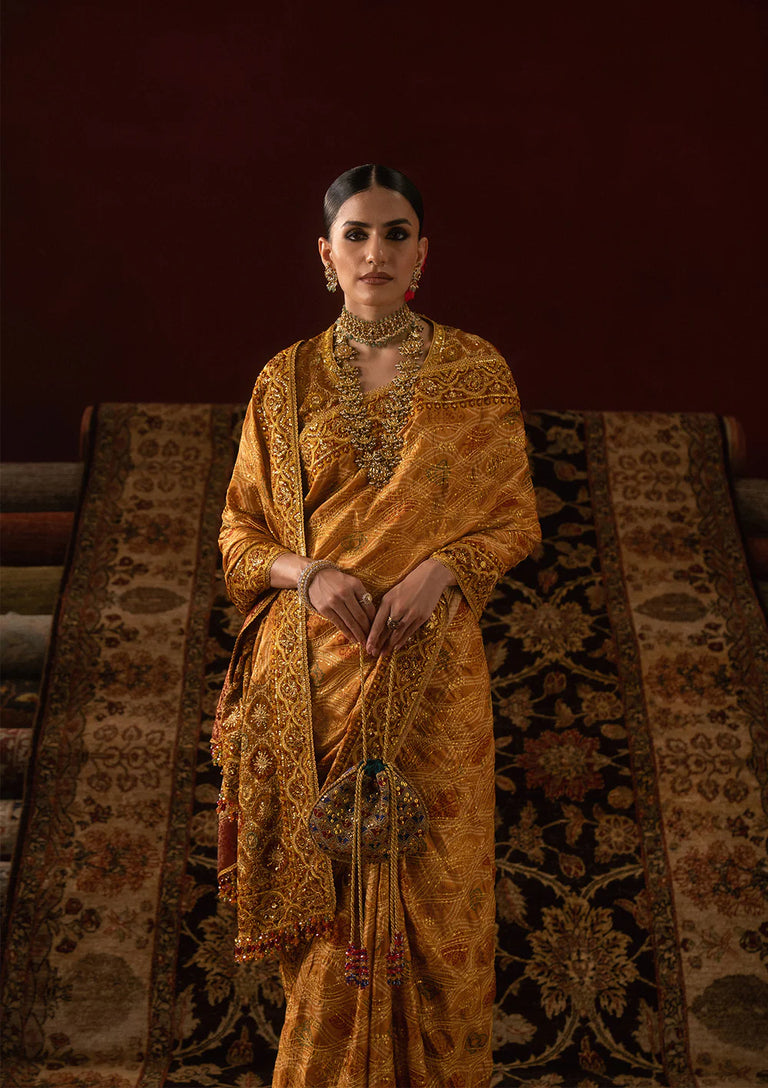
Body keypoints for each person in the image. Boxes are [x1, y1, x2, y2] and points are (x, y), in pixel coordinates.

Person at [212, 164, 541, 1088]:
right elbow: (239, 536)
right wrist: (309, 574)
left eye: (396, 234)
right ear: (325, 254)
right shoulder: (284, 382)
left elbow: (515, 520)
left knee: (440, 905)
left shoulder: (476, 372)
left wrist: (444, 569)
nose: (376, 252)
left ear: (422, 253)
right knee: (332, 921)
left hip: (435, 679)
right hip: (312, 682)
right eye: (355, 234)